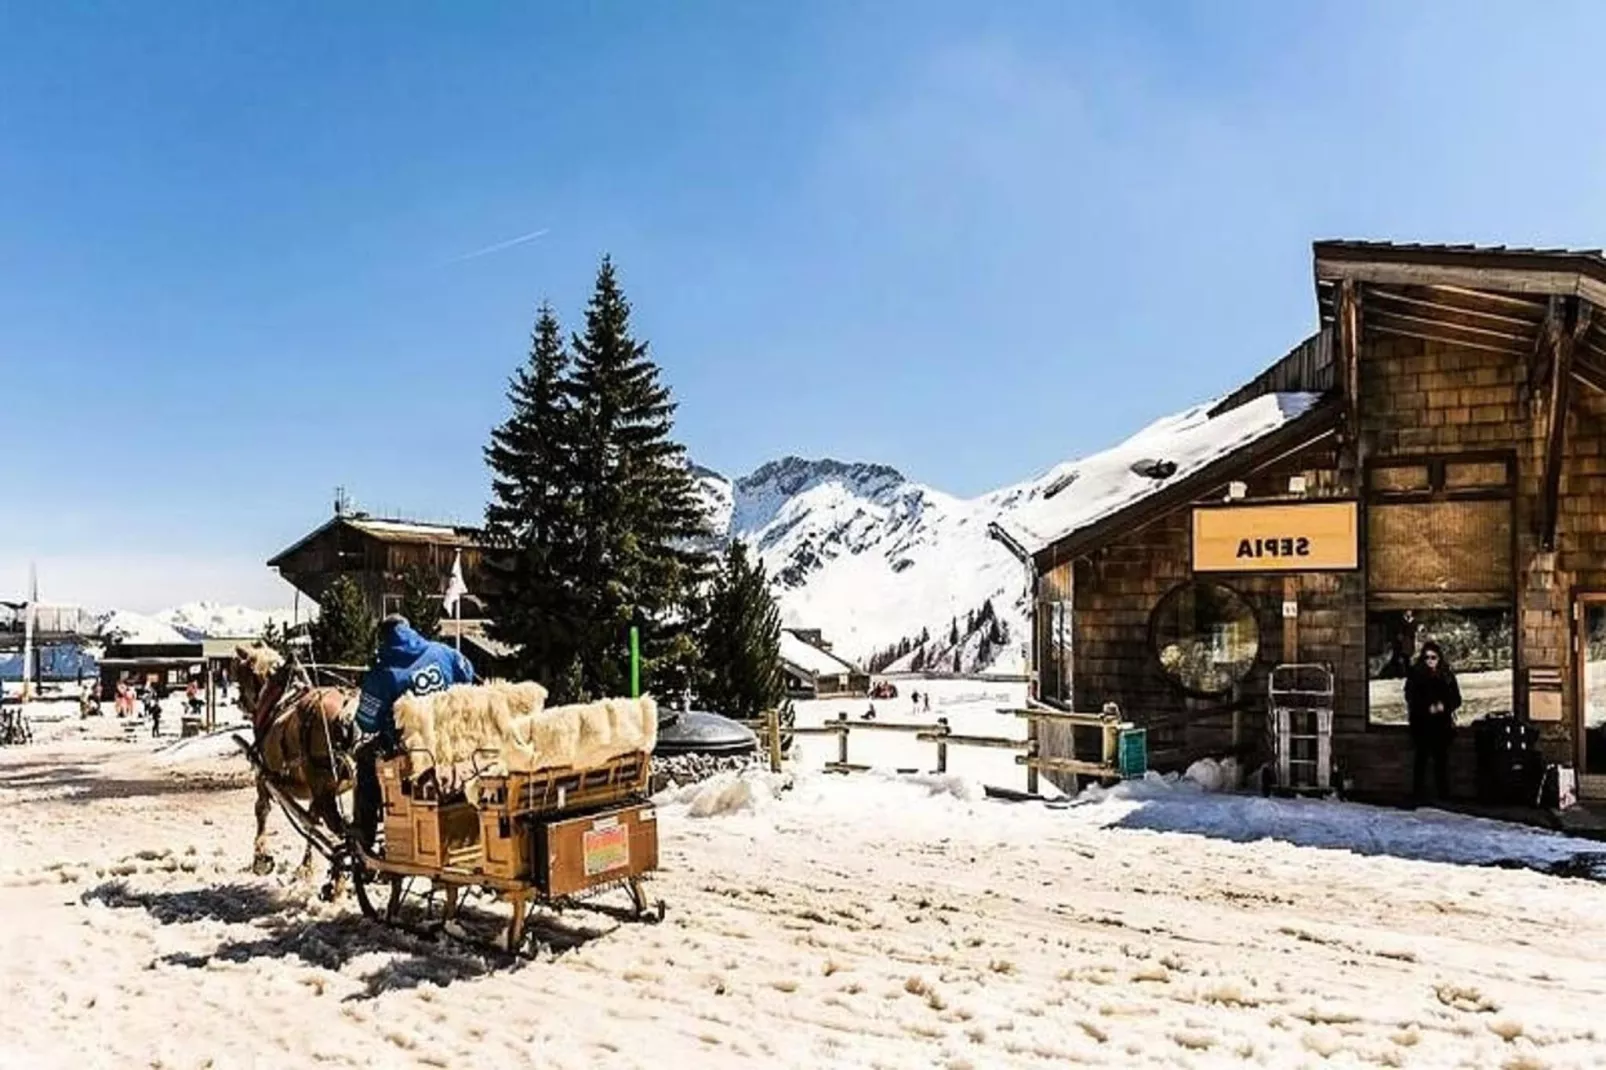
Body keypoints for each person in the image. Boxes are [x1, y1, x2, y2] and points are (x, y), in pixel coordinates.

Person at [352, 615, 477, 851]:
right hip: (455, 741)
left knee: (365, 759)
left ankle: (364, 834)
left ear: (382, 638)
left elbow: (367, 723)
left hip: (416, 752)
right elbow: (469, 677)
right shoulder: (444, 652)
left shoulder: (384, 672)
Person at [1404, 640, 1461, 804]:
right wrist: (1426, 708)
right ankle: (1418, 793)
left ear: (1439, 658)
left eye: (1433, 657)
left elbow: (1456, 698)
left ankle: (1443, 793)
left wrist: (1444, 706)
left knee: (1441, 760)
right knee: (1421, 759)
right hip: (1421, 723)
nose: (1430, 660)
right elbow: (1410, 697)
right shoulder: (1416, 674)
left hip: (1441, 724)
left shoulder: (1446, 675)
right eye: (1426, 657)